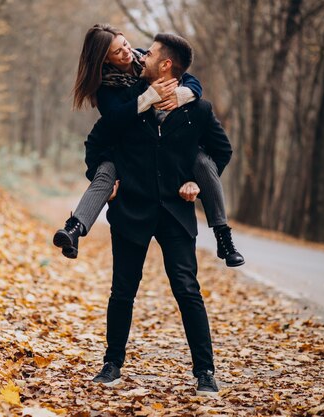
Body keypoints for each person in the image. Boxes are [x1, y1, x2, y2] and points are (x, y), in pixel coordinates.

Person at [84, 32, 233, 396]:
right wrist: (105, 176)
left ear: (165, 64)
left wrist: (197, 184)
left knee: (187, 289)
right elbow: (97, 142)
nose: (137, 56)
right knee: (122, 290)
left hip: (176, 212)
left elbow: (221, 151)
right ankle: (112, 364)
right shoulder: (127, 102)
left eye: (148, 54)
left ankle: (205, 372)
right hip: (131, 208)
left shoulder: (196, 108)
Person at [52, 24, 244, 267]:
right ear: (104, 60)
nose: (127, 52)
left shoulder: (144, 58)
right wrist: (147, 98)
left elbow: (186, 75)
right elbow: (113, 121)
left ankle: (223, 236)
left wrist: (185, 94)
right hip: (128, 148)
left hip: (166, 141)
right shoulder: (105, 88)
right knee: (105, 173)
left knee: (202, 160)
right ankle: (74, 229)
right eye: (118, 52)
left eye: (125, 44)